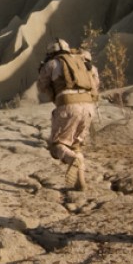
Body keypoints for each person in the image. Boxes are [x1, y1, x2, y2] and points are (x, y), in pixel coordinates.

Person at [37, 40, 100, 189]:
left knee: (57, 145)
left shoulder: (52, 64)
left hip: (68, 106)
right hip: (89, 108)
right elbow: (96, 84)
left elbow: (41, 87)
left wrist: (43, 73)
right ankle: (80, 182)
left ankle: (72, 160)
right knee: (76, 145)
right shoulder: (85, 63)